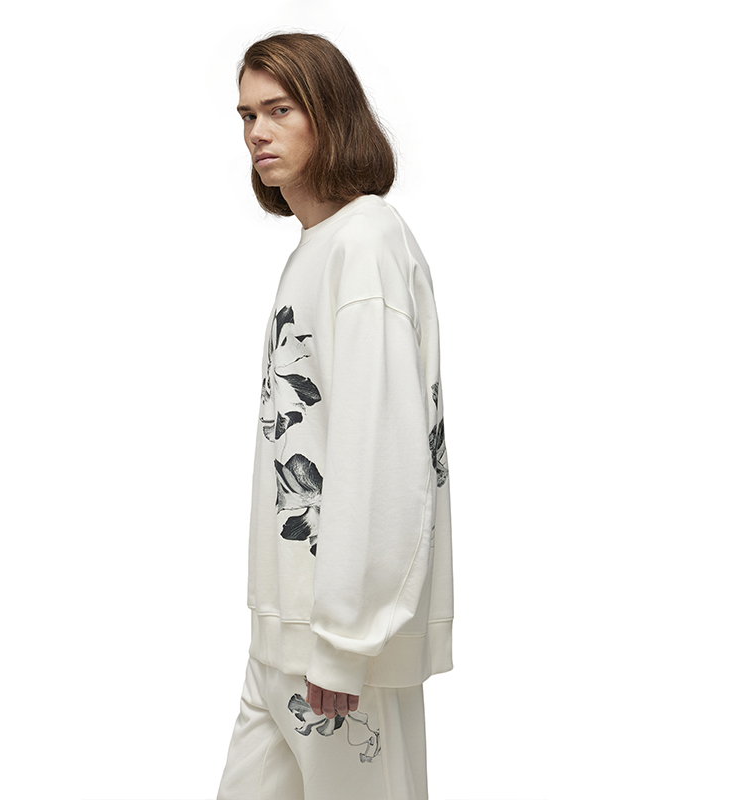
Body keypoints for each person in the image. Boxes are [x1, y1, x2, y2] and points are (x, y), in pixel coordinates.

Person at [216, 31, 453, 800]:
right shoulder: (317, 247)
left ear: (330, 113)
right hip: (282, 638)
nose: (257, 132)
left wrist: (347, 645)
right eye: (247, 115)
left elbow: (382, 453)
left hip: (338, 650)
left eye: (279, 110)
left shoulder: (367, 242)